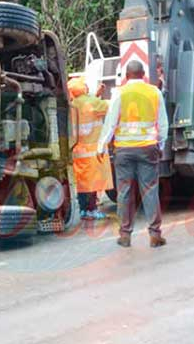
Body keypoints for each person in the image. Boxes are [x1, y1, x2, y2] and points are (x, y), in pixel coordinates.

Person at [97, 60, 168, 248]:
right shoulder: (155, 92)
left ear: (127, 76)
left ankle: (125, 235)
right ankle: (155, 235)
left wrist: (101, 146)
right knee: (150, 191)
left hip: (124, 151)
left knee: (125, 192)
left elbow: (110, 123)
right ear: (143, 74)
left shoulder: (119, 93)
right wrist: (159, 146)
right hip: (148, 148)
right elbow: (163, 124)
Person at [67, 77, 113, 220]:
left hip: (78, 151)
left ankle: (83, 210)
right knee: (93, 183)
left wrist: (96, 94)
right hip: (93, 151)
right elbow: (109, 107)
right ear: (84, 88)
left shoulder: (72, 105)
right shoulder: (93, 102)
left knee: (82, 183)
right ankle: (92, 210)